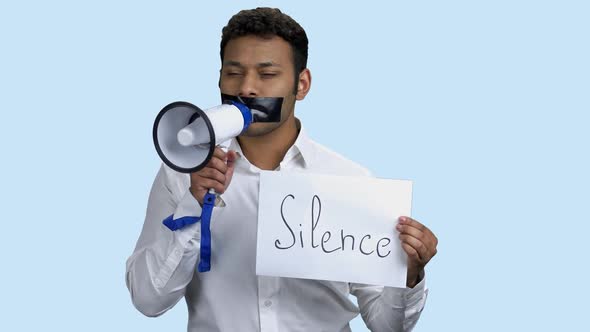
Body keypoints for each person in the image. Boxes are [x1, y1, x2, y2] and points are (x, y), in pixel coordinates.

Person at [126, 7, 438, 332]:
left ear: (301, 85)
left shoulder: (351, 182)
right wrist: (193, 203)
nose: (247, 89)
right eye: (234, 72)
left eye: (267, 74)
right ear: (219, 77)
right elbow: (148, 301)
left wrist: (409, 273)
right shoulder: (183, 173)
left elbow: (389, 327)